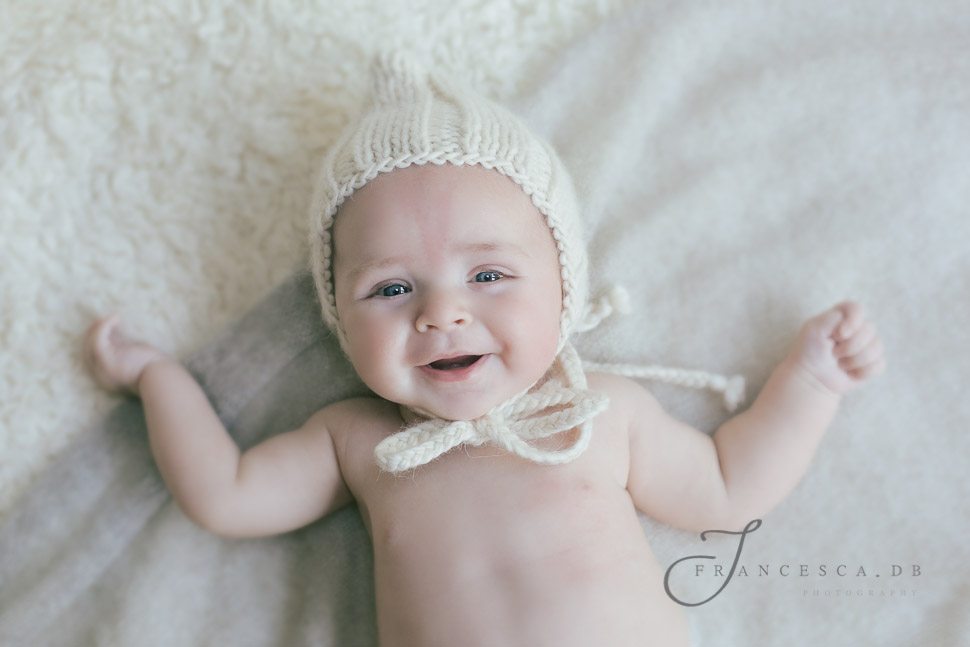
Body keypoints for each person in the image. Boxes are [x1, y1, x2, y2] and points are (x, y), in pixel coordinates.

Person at [83, 52, 885, 646]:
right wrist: (159, 379)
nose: (443, 314)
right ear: (336, 316)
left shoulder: (598, 415)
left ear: (566, 289)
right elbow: (225, 494)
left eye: (490, 273)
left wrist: (810, 382)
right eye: (392, 288)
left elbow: (727, 486)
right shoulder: (359, 439)